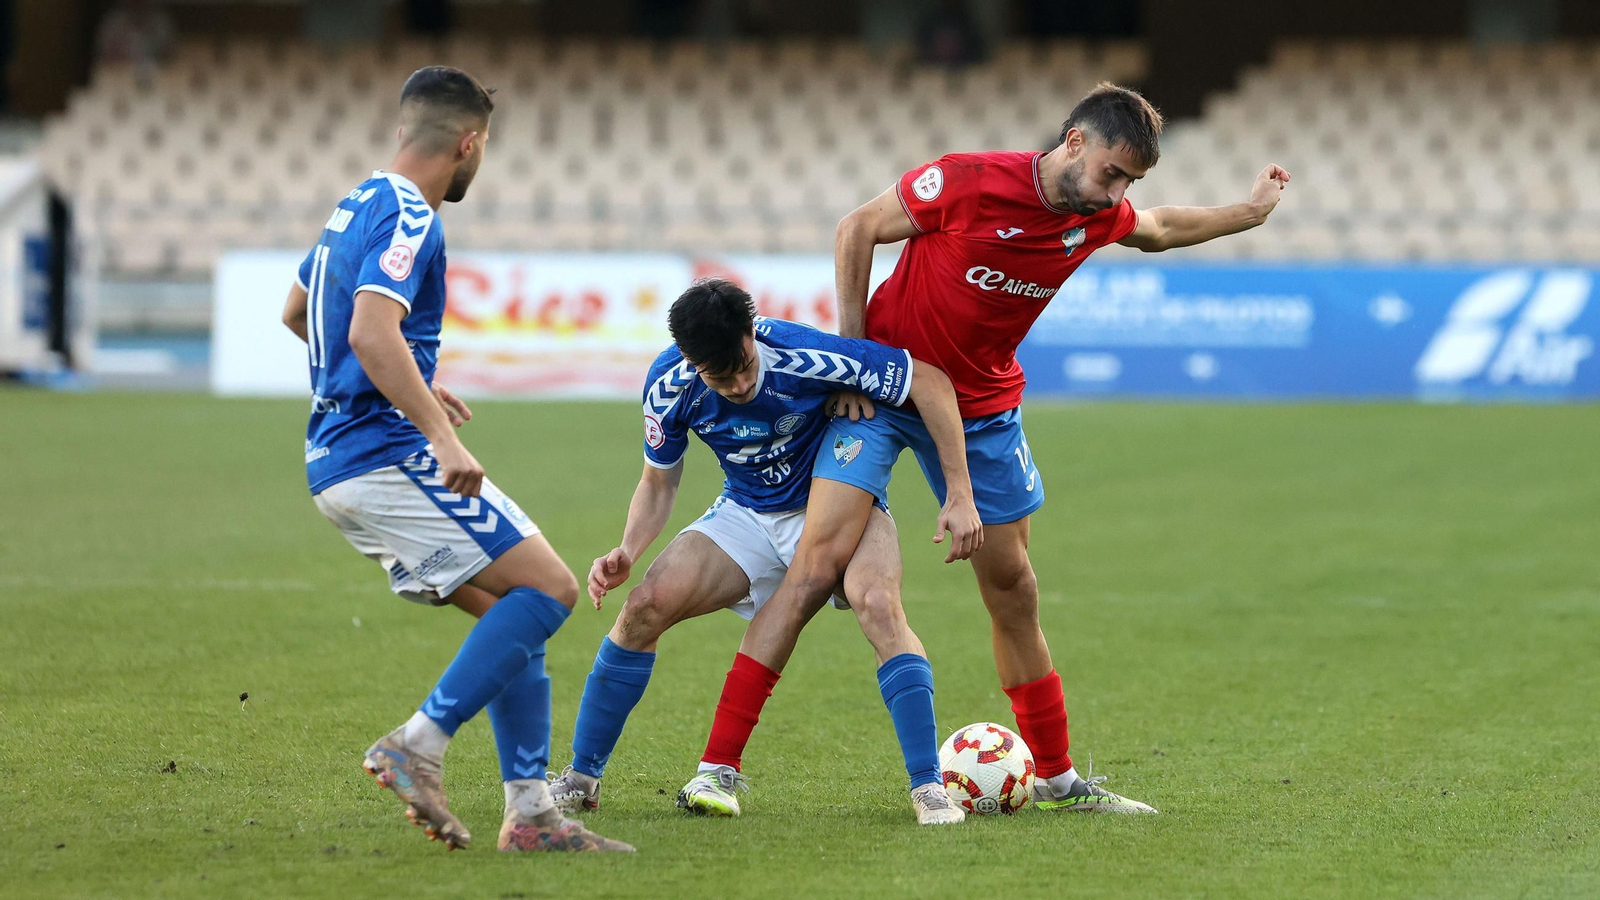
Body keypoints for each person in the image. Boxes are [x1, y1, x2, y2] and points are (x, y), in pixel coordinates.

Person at [692, 81, 1292, 814]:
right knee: (814, 570)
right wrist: (854, 358)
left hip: (981, 411)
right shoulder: (968, 181)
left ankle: (1059, 779)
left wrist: (1251, 212)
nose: (1116, 194)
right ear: (1075, 142)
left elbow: (1160, 228)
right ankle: (717, 767)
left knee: (1014, 588)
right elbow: (857, 227)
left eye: (1129, 183)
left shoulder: (1095, 216)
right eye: (1112, 173)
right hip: (881, 392)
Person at [280, 66, 631, 853]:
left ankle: (531, 816)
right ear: (469, 144)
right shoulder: (413, 214)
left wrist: (410, 381)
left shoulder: (354, 204)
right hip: (383, 455)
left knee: (517, 616)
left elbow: (300, 311)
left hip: (335, 460)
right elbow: (369, 331)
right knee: (551, 587)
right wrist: (438, 431)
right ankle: (418, 743)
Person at [545, 278, 981, 826]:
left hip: (838, 506)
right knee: (642, 607)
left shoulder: (803, 352)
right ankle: (582, 778)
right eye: (720, 377)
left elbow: (930, 380)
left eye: (745, 366)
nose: (740, 384)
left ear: (752, 333)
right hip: (746, 512)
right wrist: (628, 549)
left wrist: (959, 492)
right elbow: (658, 482)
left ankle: (928, 787)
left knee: (878, 604)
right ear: (692, 362)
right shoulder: (668, 384)